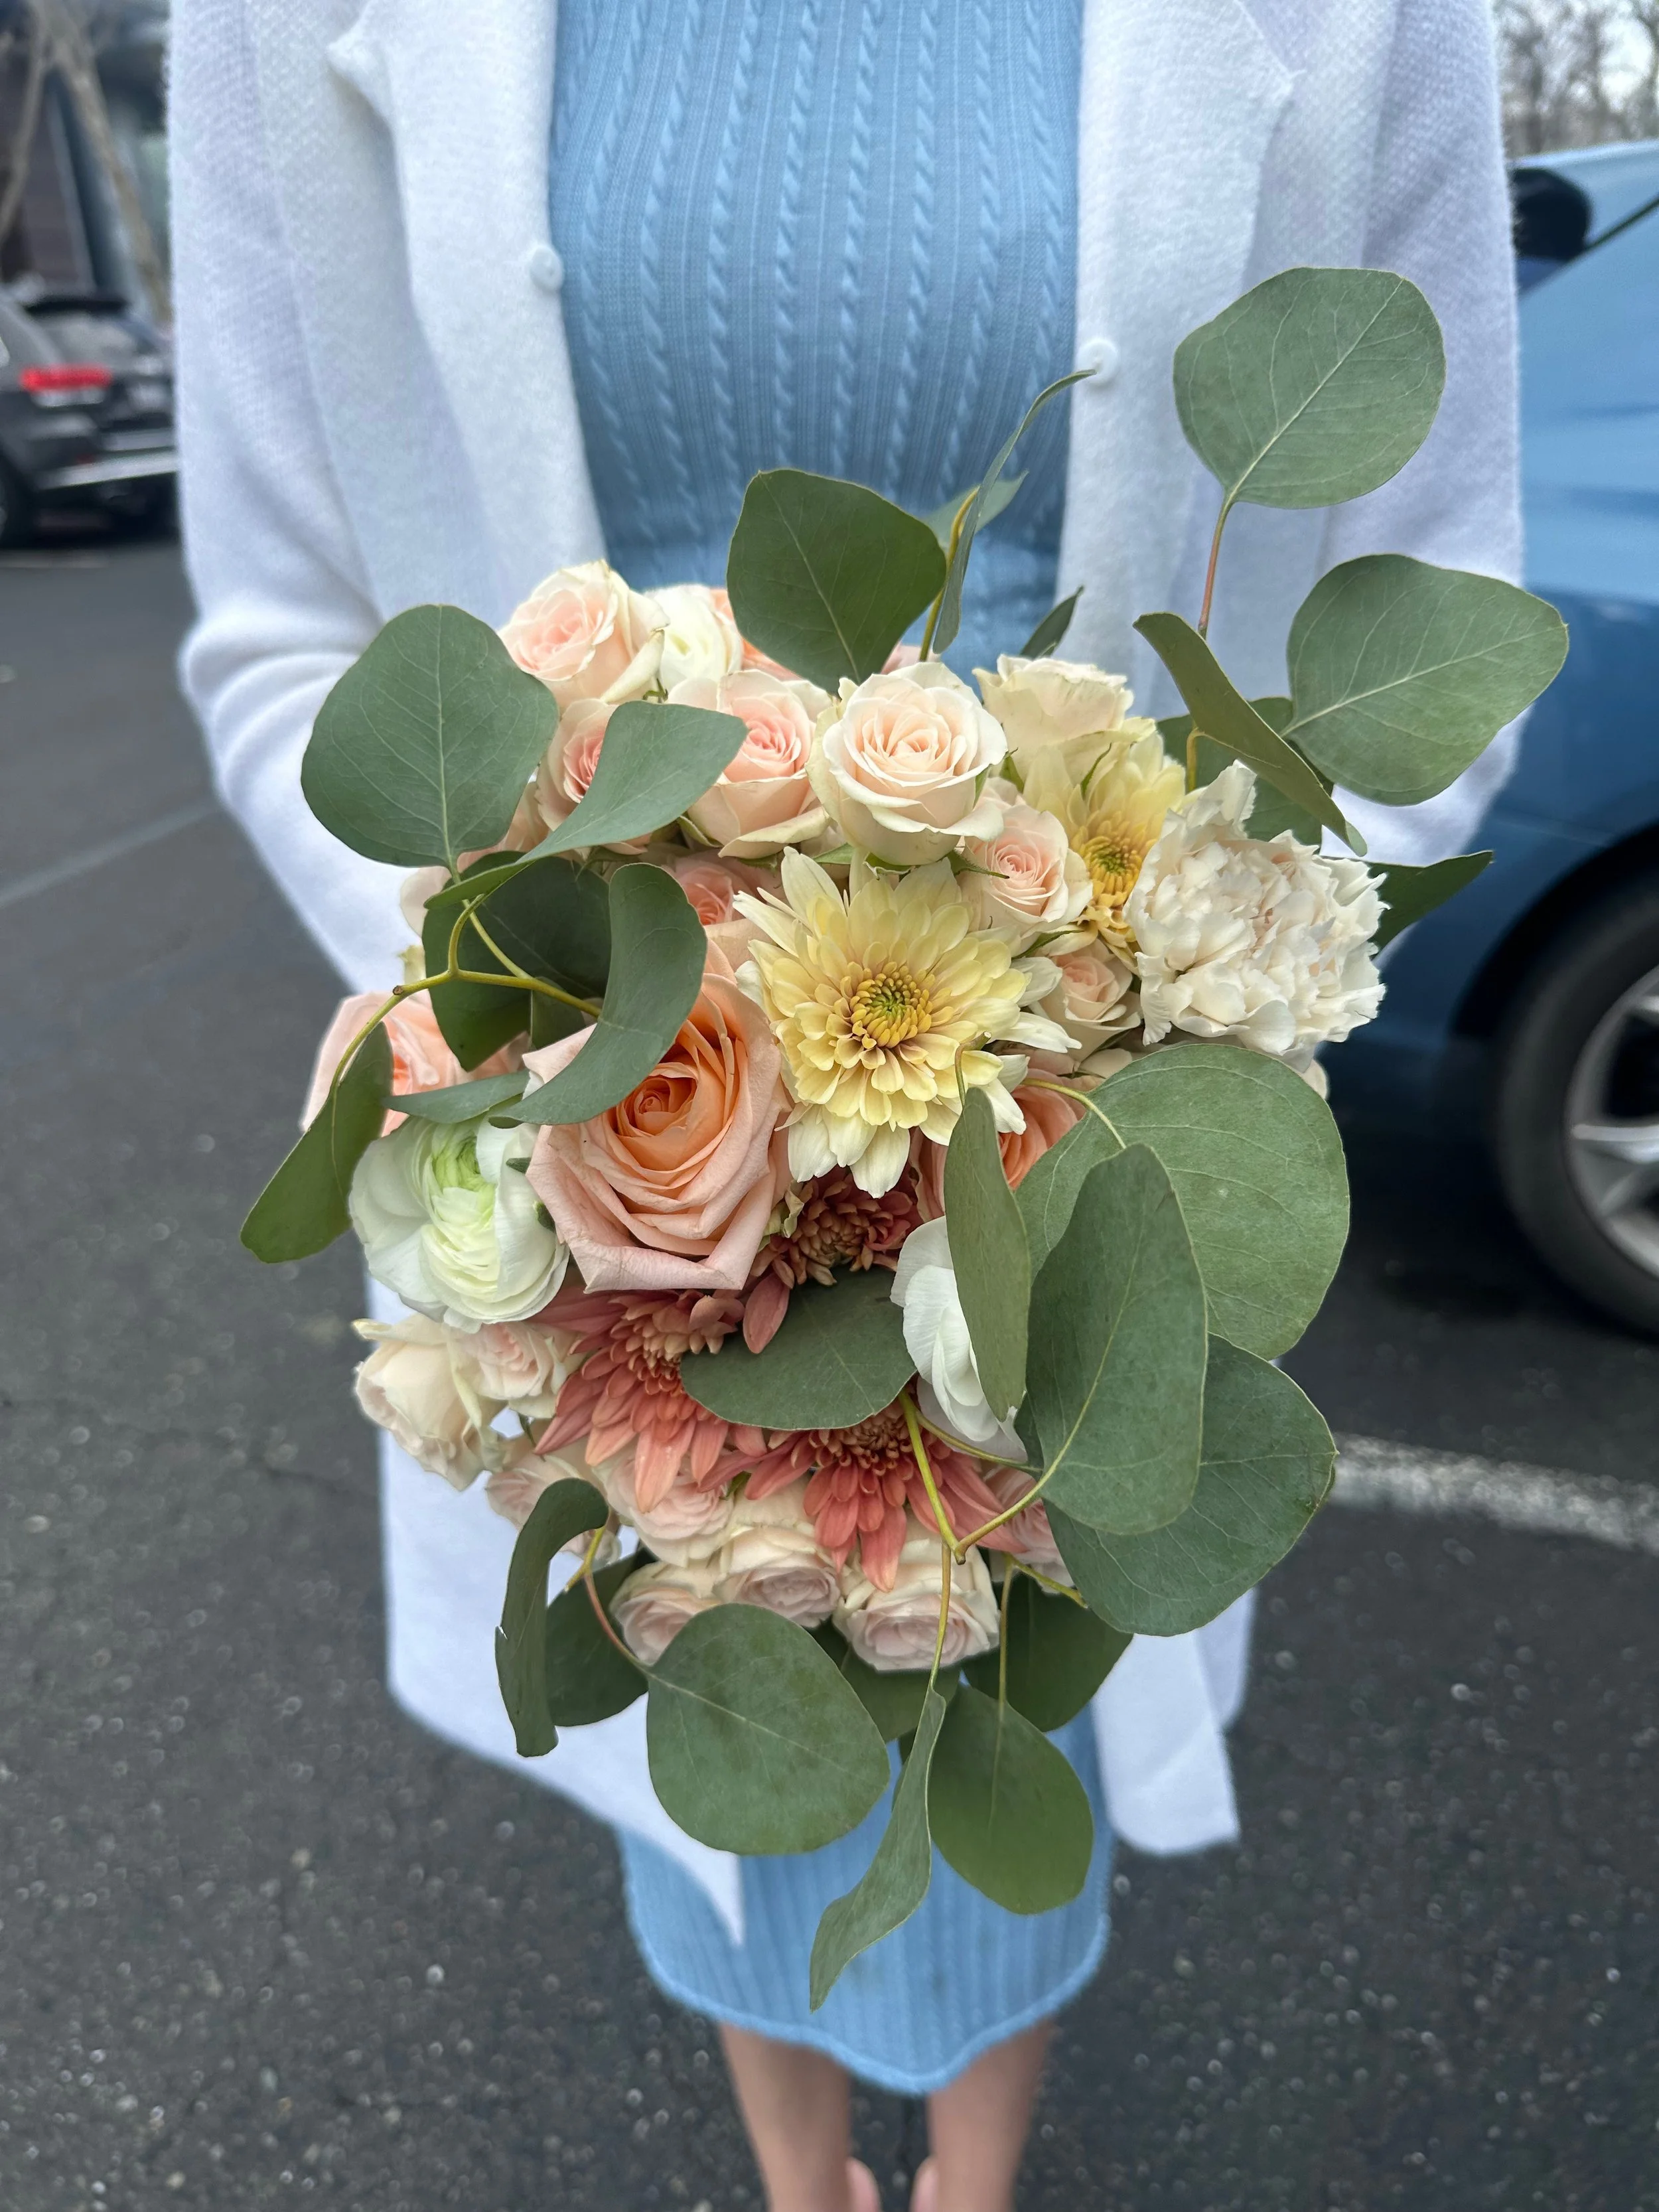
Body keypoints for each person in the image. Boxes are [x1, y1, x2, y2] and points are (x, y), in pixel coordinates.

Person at [169, 5, 1522, 2206]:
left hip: (1064, 1122)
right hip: (595, 1118)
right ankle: (803, 2178)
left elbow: (1436, 590)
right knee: (698, 1678)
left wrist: (1132, 1007)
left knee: (997, 1666)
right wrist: (528, 1016)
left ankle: (969, 2178)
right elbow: (289, 619)